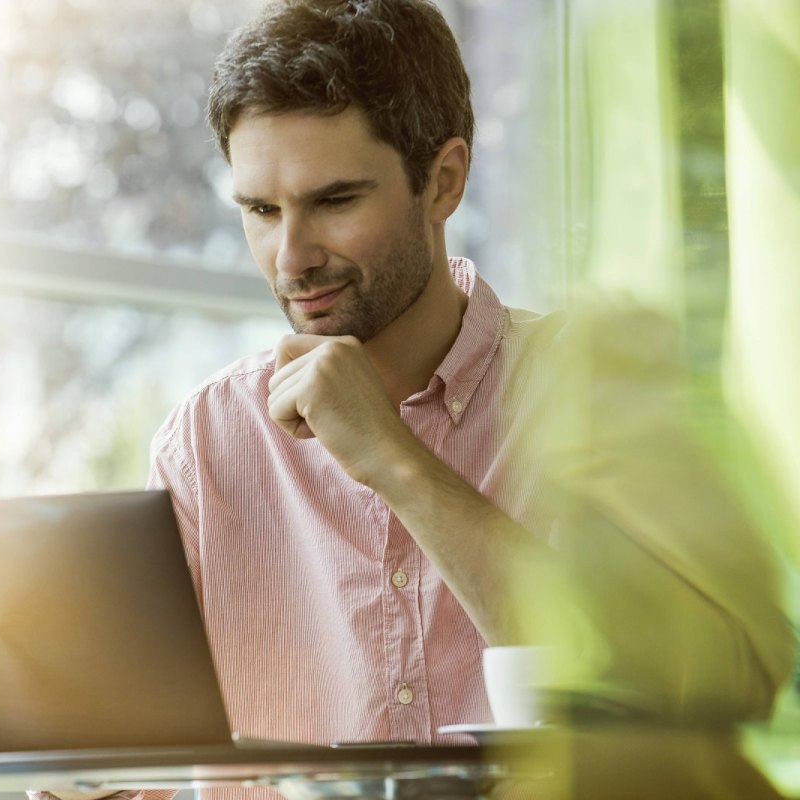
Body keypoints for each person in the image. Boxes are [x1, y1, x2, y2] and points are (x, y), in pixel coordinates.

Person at [144, 0, 791, 755]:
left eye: (334, 201)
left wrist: (394, 459)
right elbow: (117, 762)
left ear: (444, 181)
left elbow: (721, 683)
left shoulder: (596, 385)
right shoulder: (205, 443)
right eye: (260, 209)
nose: (290, 258)